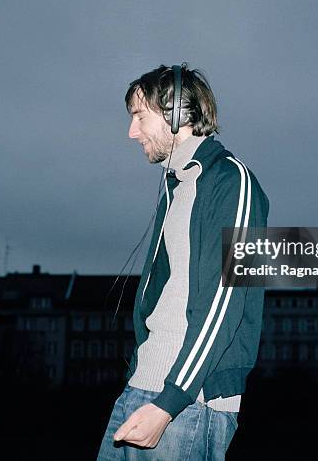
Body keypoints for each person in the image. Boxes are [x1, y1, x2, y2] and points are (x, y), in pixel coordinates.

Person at [97, 64, 269, 460]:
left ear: (177, 114)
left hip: (189, 402)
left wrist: (170, 401)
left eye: (140, 116)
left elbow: (224, 303)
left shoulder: (232, 182)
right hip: (144, 387)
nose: (131, 132)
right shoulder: (176, 189)